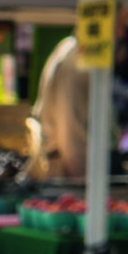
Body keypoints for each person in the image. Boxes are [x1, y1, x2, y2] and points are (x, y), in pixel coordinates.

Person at [30, 33, 87, 182]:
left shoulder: (69, 48)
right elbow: (69, 127)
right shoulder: (76, 58)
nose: (121, 33)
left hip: (60, 162)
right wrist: (83, 182)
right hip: (66, 170)